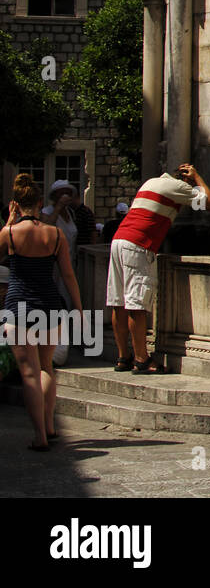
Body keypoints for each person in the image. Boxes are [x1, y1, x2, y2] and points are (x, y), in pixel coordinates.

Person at [2, 173, 82, 450]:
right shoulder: (55, 234)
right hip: (50, 305)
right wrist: (79, 308)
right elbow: (69, 276)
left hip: (19, 307)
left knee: (28, 373)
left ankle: (40, 436)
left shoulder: (9, 233)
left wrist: (9, 223)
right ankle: (49, 425)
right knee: (47, 367)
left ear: (15, 204)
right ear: (39, 203)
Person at [108, 164, 210, 375]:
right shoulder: (178, 187)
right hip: (138, 245)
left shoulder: (152, 182)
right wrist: (198, 176)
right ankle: (142, 360)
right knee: (136, 305)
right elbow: (209, 203)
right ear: (186, 182)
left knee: (118, 302)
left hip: (119, 240)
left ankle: (123, 357)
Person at [42, 181, 82, 367]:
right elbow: (44, 228)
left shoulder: (72, 213)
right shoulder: (49, 212)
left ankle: (66, 341)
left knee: (68, 298)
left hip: (69, 261)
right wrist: (58, 208)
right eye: (62, 193)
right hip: (54, 265)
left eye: (68, 192)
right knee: (58, 300)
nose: (66, 196)